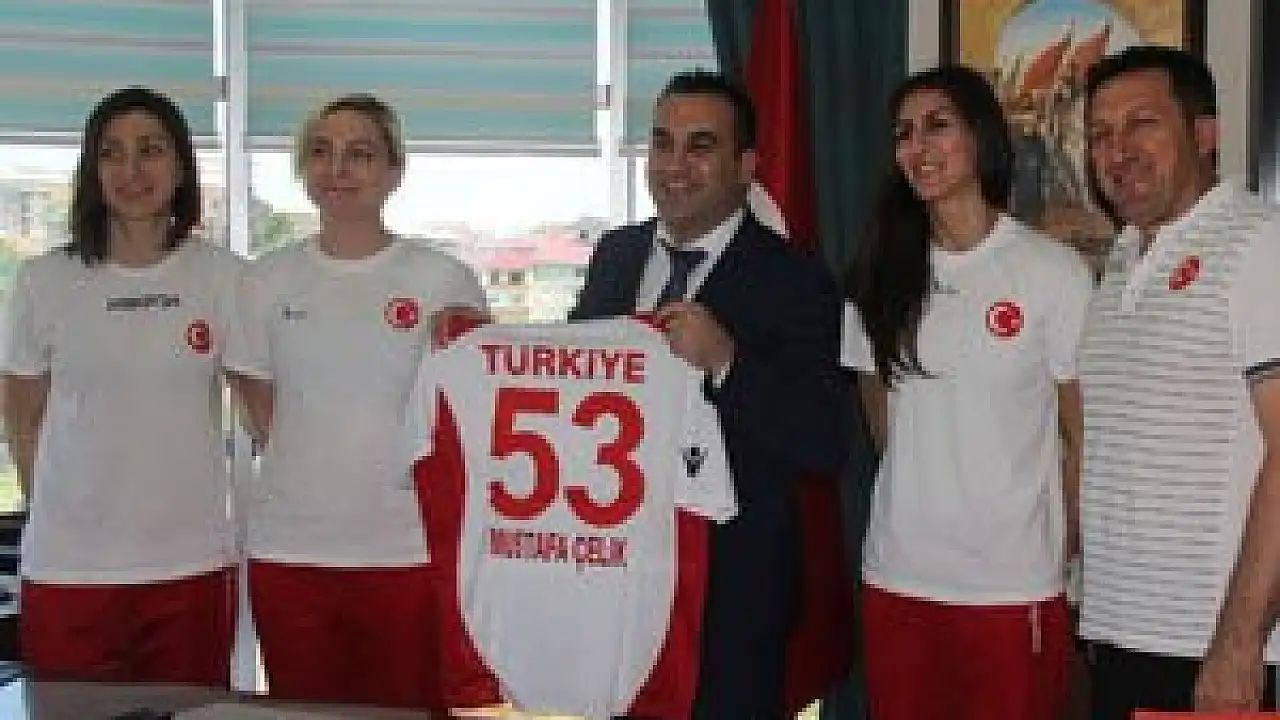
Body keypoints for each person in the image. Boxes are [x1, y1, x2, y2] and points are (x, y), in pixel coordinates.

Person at [570, 69, 853, 718]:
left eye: (700, 146)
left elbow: (823, 439)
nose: (674, 165)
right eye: (662, 142)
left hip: (733, 598)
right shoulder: (616, 255)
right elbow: (576, 387)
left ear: (746, 166)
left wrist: (728, 362)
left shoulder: (797, 278)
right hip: (618, 584)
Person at [842, 64, 1092, 720]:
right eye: (903, 133)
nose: (917, 147)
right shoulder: (877, 275)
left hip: (1012, 588)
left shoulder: (1051, 272)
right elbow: (882, 421)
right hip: (899, 577)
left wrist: (1065, 546)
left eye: (937, 126)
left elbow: (1080, 434)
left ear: (981, 136)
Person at [224, 94, 488, 709]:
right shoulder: (265, 280)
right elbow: (262, 407)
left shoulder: (441, 280)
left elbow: (468, 413)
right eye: (321, 152)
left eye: (360, 154)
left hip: (407, 552)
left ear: (394, 170)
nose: (338, 169)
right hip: (290, 553)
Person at [1, 87, 240, 685]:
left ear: (180, 167)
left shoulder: (226, 278)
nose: (131, 171)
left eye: (150, 150)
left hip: (191, 566)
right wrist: (59, 514)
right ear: (92, 169)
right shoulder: (43, 281)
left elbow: (272, 401)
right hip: (71, 572)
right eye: (112, 153)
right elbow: (21, 417)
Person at [1077, 44, 1280, 716]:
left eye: (1142, 123)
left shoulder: (1258, 244)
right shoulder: (1122, 259)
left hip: (1214, 655)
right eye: (1100, 134)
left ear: (1205, 133)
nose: (1117, 151)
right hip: (1123, 638)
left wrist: (1239, 643)